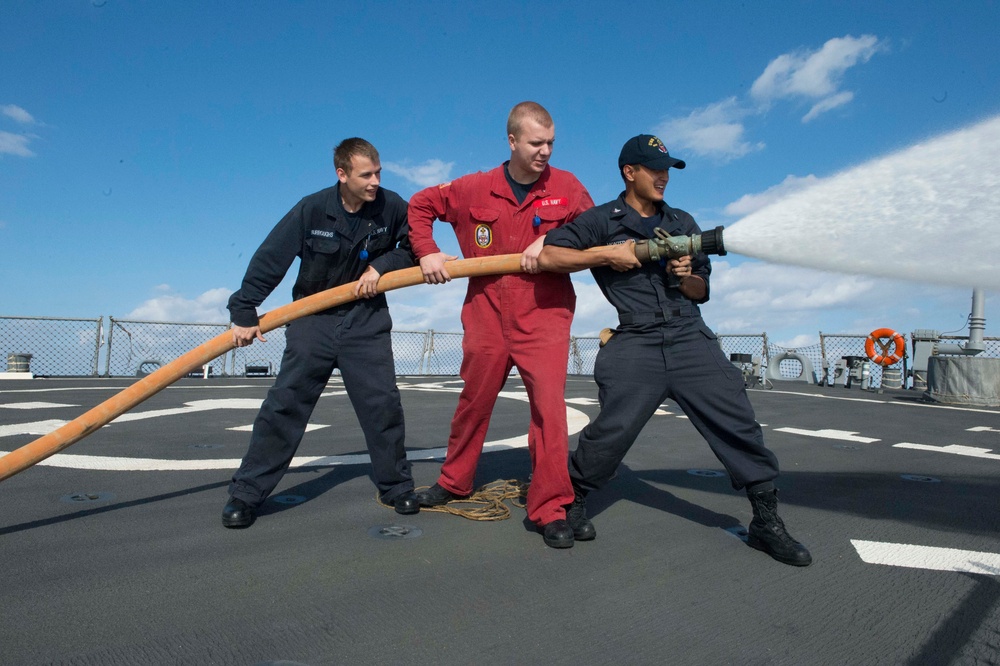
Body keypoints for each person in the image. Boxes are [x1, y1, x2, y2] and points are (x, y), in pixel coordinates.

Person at [538, 134, 812, 566]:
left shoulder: (683, 221)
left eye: (668, 170)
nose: (664, 177)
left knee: (737, 423)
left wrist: (683, 274)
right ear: (629, 172)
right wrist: (609, 255)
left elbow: (700, 291)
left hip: (689, 337)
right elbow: (550, 255)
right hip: (636, 339)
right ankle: (574, 499)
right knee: (612, 432)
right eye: (654, 169)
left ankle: (766, 522)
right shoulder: (600, 222)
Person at [407, 102, 594, 548]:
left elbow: (595, 229)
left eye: (551, 142)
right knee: (473, 401)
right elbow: (420, 204)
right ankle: (454, 482)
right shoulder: (473, 188)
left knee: (549, 412)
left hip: (544, 315)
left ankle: (550, 507)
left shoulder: (567, 187)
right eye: (536, 143)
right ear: (512, 141)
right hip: (486, 312)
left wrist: (554, 236)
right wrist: (426, 251)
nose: (545, 151)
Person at [222, 137, 419, 528]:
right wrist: (244, 309)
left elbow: (415, 247)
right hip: (313, 318)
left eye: (379, 172)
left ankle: (396, 487)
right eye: (366, 174)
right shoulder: (312, 209)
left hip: (366, 320)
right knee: (285, 406)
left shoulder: (393, 206)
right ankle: (246, 495)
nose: (375, 181)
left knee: (382, 405)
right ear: (341, 174)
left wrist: (382, 265)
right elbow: (271, 257)